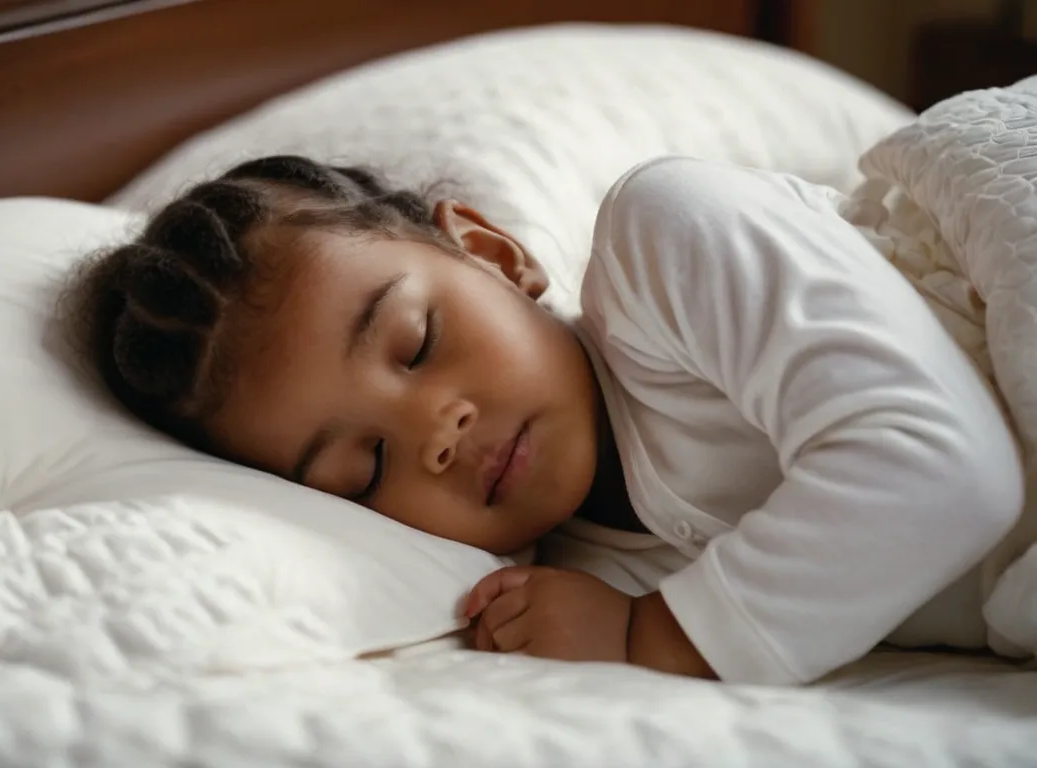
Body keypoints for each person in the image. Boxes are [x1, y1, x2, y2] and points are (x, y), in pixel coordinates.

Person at [66, 153, 1028, 685]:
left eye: (415, 342)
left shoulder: (667, 245)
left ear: (490, 251)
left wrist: (653, 638)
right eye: (362, 471)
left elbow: (950, 472)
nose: (436, 431)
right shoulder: (570, 586)